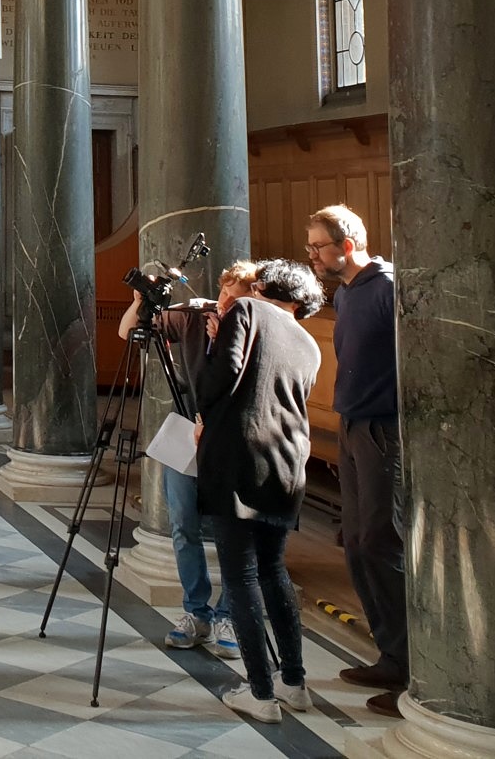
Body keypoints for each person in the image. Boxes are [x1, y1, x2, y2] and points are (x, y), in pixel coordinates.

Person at [196, 259, 326, 724]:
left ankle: (260, 693)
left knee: (241, 577)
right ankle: (294, 682)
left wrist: (210, 348)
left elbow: (219, 381)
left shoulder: (247, 309)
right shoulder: (310, 343)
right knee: (273, 572)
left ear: (265, 285)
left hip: (239, 460)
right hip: (288, 464)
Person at [117, 259, 259, 661]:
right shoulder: (196, 318)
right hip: (190, 432)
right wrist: (140, 300)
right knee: (182, 524)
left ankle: (229, 614)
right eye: (224, 294)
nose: (226, 304)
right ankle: (196, 613)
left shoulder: (260, 331)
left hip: (237, 439)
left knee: (237, 530)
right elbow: (128, 331)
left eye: (238, 298)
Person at [306, 203, 406, 716]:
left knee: (381, 539)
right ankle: (390, 654)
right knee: (356, 542)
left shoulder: (388, 288)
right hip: (351, 423)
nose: (312, 256)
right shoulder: (347, 293)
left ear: (347, 246)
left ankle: (413, 664)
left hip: (382, 428)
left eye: (318, 246)